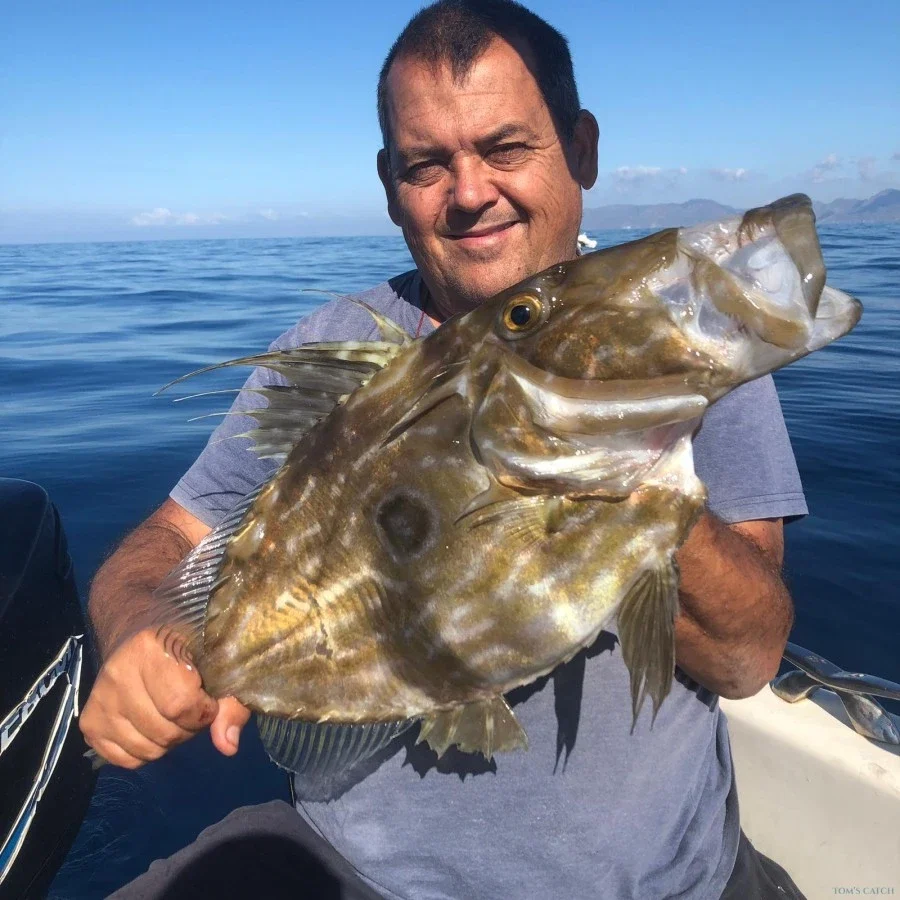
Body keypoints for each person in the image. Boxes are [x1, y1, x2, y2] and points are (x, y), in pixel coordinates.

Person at [82, 1, 811, 897]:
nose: (469, 193)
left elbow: (747, 659)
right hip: (360, 871)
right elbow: (167, 539)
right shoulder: (334, 346)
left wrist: (628, 478)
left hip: (666, 880)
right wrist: (145, 636)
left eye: (506, 148)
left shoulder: (669, 346)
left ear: (580, 148)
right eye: (427, 165)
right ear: (391, 185)